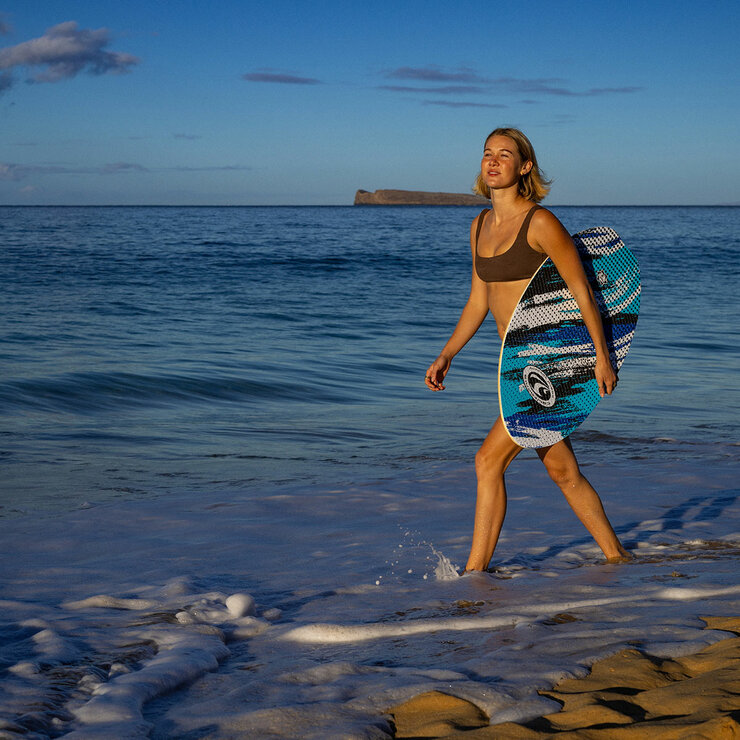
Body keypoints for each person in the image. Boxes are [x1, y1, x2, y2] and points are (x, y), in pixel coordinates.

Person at [425, 127, 629, 574]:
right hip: (517, 364)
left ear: (525, 167)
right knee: (562, 471)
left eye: (505, 155)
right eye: (487, 154)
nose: (493, 161)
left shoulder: (541, 223)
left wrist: (602, 356)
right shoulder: (479, 224)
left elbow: (581, 291)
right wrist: (447, 353)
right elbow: (479, 300)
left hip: (550, 363)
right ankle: (618, 558)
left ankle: (474, 575)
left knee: (487, 459)